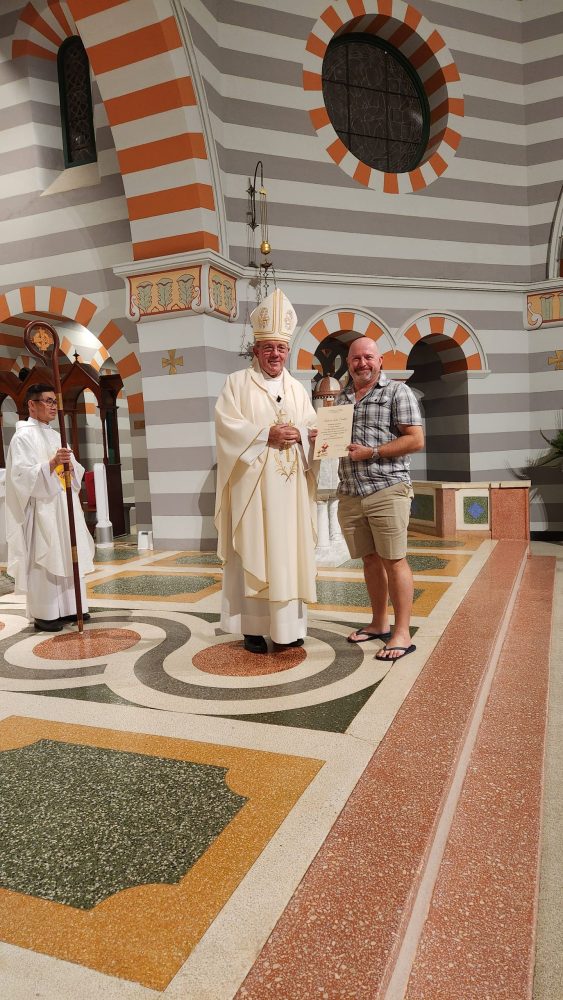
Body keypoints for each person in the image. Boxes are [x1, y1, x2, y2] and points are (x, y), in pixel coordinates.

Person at [214, 289, 318, 653]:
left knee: (288, 554)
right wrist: (265, 435)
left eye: (281, 348)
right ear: (256, 350)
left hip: (290, 494)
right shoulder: (237, 383)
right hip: (254, 490)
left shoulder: (298, 389)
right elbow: (227, 428)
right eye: (269, 348)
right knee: (255, 550)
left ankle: (288, 629)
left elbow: (312, 428)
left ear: (288, 351)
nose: (275, 354)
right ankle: (254, 628)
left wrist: (304, 435)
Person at [336, 338, 424, 661]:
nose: (362, 363)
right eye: (356, 358)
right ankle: (378, 623)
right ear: (349, 363)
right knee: (370, 560)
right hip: (351, 492)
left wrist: (372, 452)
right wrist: (322, 438)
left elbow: (416, 439)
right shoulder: (342, 398)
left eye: (368, 357)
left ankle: (402, 632)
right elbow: (336, 441)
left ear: (380, 360)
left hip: (387, 488)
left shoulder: (397, 392)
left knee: (394, 559)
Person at [5, 383, 95, 631]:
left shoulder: (56, 435)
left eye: (54, 402)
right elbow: (21, 476)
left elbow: (74, 471)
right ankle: (45, 612)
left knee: (68, 552)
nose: (53, 407)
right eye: (47, 401)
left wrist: (70, 466)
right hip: (42, 508)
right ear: (31, 405)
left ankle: (70, 607)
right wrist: (52, 463)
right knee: (46, 555)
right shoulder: (23, 437)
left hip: (64, 505)